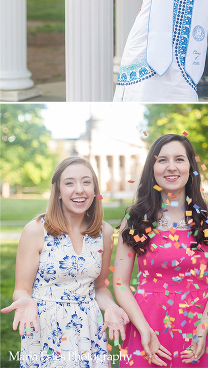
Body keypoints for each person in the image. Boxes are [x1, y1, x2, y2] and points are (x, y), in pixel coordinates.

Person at [113, 134, 208, 366]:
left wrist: (202, 328)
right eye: (162, 160)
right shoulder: (135, 219)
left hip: (198, 325)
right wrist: (143, 329)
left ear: (190, 167)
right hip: (146, 324)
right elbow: (120, 284)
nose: (171, 167)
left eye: (179, 159)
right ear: (152, 168)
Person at [1, 157, 129, 367]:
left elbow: (100, 288)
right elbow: (21, 289)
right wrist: (27, 301)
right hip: (47, 328)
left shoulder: (104, 232)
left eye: (86, 182)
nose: (79, 189)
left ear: (95, 189)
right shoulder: (35, 230)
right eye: (69, 183)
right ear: (58, 191)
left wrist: (112, 306)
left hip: (89, 329)